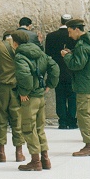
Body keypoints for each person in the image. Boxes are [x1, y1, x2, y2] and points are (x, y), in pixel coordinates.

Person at [11, 30, 59, 171]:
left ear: (15, 43)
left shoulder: (20, 56)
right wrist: (50, 85)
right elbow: (55, 68)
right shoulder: (40, 53)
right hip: (40, 95)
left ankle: (35, 161)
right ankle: (45, 159)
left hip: (30, 97)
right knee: (40, 128)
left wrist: (24, 91)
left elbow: (24, 75)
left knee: (28, 127)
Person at [61, 19, 90, 156]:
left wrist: (67, 56)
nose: (69, 36)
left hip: (83, 83)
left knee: (83, 114)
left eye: (70, 32)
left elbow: (77, 65)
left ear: (77, 29)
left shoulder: (82, 45)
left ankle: (89, 145)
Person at [0, 31, 25, 163]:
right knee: (17, 119)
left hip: (2, 87)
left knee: (0, 119)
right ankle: (19, 153)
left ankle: (1, 153)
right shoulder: (21, 47)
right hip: (16, 88)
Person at [45, 14, 77, 129]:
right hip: (71, 70)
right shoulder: (74, 36)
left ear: (61, 21)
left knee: (60, 96)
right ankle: (72, 121)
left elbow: (47, 55)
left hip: (57, 70)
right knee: (72, 96)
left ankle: (62, 121)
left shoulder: (51, 36)